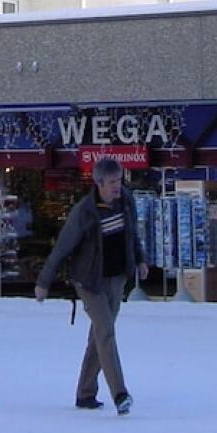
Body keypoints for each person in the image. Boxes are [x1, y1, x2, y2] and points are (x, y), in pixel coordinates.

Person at [34, 157, 149, 415]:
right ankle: (120, 394)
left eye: (119, 180)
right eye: (111, 183)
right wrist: (44, 282)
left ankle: (85, 394)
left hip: (116, 278)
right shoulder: (84, 212)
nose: (116, 187)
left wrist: (140, 259)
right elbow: (62, 248)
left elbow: (132, 235)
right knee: (106, 331)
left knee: (99, 336)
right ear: (98, 184)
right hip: (89, 281)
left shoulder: (126, 202)